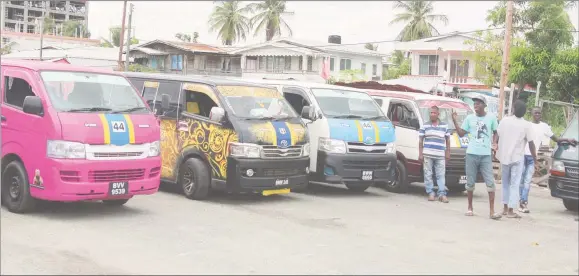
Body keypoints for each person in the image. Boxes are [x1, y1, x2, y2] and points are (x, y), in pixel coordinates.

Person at [452, 94, 502, 220]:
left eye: (478, 103)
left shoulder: (491, 118)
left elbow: (496, 132)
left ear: (484, 105)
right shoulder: (469, 118)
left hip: (485, 155)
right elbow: (461, 134)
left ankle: (492, 211)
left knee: (490, 182)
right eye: (474, 103)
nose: (476, 105)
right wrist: (455, 121)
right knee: (470, 182)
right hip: (471, 153)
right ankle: (470, 207)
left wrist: (495, 142)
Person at [519, 107, 578, 213]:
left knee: (527, 181)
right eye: (536, 113)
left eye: (539, 113)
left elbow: (556, 139)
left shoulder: (544, 126)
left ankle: (523, 202)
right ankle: (519, 201)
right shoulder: (526, 125)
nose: (538, 114)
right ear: (531, 114)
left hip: (532, 157)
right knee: (520, 181)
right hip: (521, 156)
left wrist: (568, 139)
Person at [495, 100, 536, 219]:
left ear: (513, 109)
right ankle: (511, 211)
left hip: (504, 157)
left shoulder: (505, 120)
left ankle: (505, 208)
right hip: (517, 158)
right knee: (514, 184)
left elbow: (497, 134)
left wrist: (495, 146)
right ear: (524, 112)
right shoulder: (526, 125)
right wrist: (535, 158)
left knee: (505, 184)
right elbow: (531, 143)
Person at [419, 106, 451, 203]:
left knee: (441, 175)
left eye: (434, 113)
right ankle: (431, 192)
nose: (432, 114)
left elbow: (448, 140)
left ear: (438, 114)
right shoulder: (425, 125)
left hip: (440, 155)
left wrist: (448, 153)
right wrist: (420, 153)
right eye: (431, 113)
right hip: (428, 154)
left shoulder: (444, 126)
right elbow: (420, 140)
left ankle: (442, 194)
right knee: (428, 174)